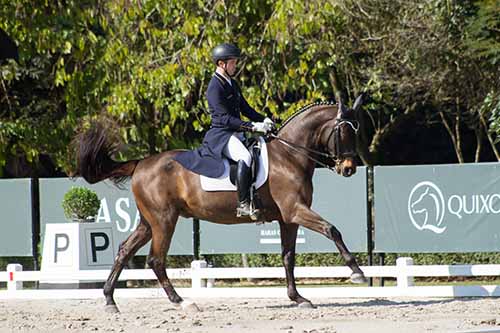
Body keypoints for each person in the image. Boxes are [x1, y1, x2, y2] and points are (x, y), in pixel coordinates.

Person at [174, 43, 274, 217]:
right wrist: (252, 126)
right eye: (233, 63)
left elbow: (246, 109)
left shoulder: (232, 84)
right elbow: (224, 119)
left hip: (236, 133)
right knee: (245, 156)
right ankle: (243, 204)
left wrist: (263, 119)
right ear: (222, 64)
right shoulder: (214, 87)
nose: (235, 66)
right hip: (221, 136)